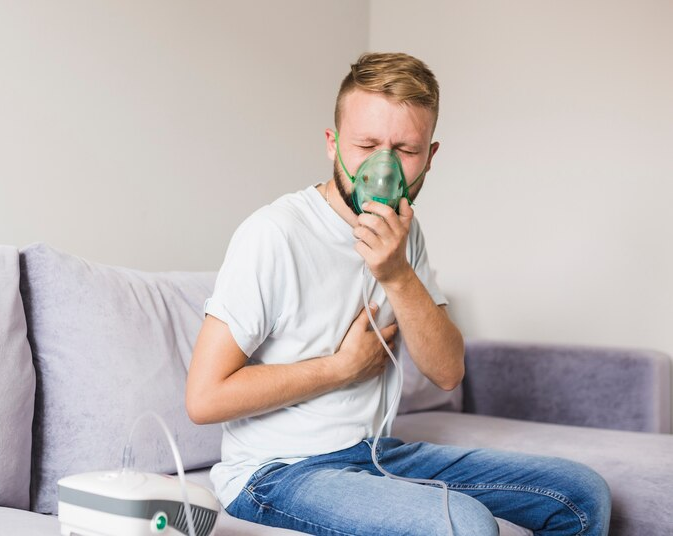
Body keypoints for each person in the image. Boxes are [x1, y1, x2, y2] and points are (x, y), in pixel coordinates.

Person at [185, 52, 612, 536]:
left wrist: (396, 273)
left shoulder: (405, 232)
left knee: (579, 494)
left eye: (405, 150)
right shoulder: (274, 234)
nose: (383, 168)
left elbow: (448, 372)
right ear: (332, 145)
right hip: (276, 472)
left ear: (430, 156)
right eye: (366, 144)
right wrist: (340, 368)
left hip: (375, 455)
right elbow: (204, 399)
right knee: (462, 526)